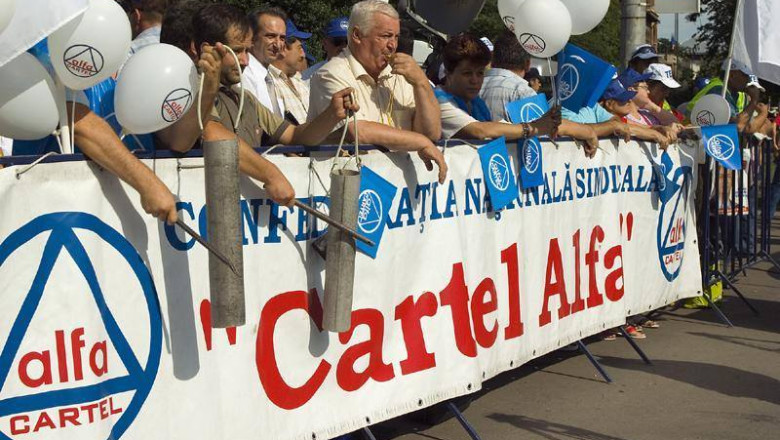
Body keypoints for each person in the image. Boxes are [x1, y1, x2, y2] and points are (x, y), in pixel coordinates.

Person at [157, 2, 358, 206]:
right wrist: (270, 174)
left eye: (247, 50)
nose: (245, 61)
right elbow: (214, 134)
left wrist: (332, 114)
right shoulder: (188, 90)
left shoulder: (244, 97)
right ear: (206, 50)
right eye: (237, 51)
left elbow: (293, 136)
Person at [309, 0, 447, 183]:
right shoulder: (330, 74)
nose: (393, 45)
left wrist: (421, 83)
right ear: (357, 35)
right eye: (386, 36)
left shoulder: (401, 76)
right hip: (343, 188)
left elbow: (432, 134)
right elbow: (358, 131)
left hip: (397, 190)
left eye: (396, 37)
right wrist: (420, 142)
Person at [435, 33, 560, 141]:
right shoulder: (438, 101)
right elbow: (480, 131)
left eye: (480, 73)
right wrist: (534, 127)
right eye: (467, 73)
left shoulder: (476, 102)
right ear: (448, 73)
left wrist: (547, 121)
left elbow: (499, 127)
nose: (475, 80)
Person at [479, 30, 535, 122]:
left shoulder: (471, 87)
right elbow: (541, 129)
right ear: (527, 64)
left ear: (493, 60)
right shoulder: (523, 91)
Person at [243, 6, 288, 112]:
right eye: (270, 36)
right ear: (251, 38)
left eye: (282, 38)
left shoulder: (270, 77)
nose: (278, 45)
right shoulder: (244, 75)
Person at [268, 20, 312, 124]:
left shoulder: (299, 81)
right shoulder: (269, 83)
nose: (303, 55)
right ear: (284, 48)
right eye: (299, 48)